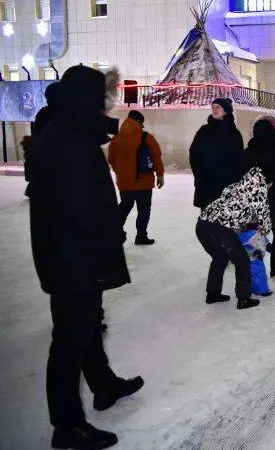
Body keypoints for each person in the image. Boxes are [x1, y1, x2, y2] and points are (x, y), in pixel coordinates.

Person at [28, 64, 143, 450]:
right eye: (100, 99)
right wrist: (107, 231)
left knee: (88, 324)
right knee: (69, 340)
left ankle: (104, 384)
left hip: (73, 253)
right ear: (83, 100)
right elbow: (78, 206)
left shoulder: (69, 134)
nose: (104, 107)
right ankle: (67, 426)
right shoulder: (66, 142)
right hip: (70, 256)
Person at [196, 159, 272, 310]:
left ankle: (213, 294)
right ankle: (243, 299)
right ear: (266, 180)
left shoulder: (238, 185)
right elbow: (263, 216)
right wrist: (265, 235)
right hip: (220, 228)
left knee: (220, 258)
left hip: (202, 225)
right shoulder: (259, 189)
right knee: (242, 260)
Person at [244, 119, 275, 278]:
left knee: (255, 237)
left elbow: (240, 179)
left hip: (254, 204)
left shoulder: (248, 153)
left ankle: (255, 273)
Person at [107, 110, 165, 246]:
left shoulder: (116, 138)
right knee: (144, 209)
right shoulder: (146, 137)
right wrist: (160, 175)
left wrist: (120, 173)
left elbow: (111, 160)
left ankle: (113, 232)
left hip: (124, 182)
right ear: (139, 122)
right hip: (144, 181)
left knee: (125, 206)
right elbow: (156, 157)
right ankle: (141, 236)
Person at [189, 98, 245, 209]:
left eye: (218, 107)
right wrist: (199, 174)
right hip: (205, 182)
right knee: (206, 220)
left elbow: (238, 159)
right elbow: (194, 153)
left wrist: (230, 178)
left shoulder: (234, 133)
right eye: (213, 107)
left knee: (224, 220)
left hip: (226, 184)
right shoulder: (204, 131)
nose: (214, 109)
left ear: (226, 111)